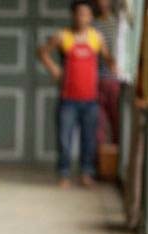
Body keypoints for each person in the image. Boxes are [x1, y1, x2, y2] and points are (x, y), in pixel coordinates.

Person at [38, 0, 116, 189]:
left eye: (86, 14)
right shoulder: (63, 36)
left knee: (89, 139)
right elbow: (42, 52)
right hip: (68, 99)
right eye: (79, 13)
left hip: (91, 99)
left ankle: (86, 173)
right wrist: (54, 69)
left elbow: (108, 59)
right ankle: (64, 174)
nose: (82, 17)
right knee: (64, 140)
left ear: (91, 17)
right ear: (73, 15)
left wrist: (116, 65)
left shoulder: (96, 37)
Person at [94, 0, 121, 145]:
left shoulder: (118, 24)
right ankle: (100, 162)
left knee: (116, 122)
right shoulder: (93, 25)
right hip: (97, 80)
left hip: (115, 80)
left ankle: (116, 162)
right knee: (99, 124)